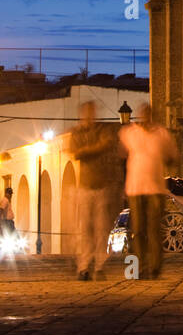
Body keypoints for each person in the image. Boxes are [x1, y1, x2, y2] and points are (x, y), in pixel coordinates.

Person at [118, 104, 177, 279]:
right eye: (142, 113)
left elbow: (172, 156)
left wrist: (166, 158)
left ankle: (155, 267)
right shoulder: (130, 133)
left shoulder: (162, 134)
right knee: (137, 229)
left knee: (154, 229)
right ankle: (139, 267)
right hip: (135, 187)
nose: (145, 116)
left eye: (148, 113)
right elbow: (121, 155)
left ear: (151, 115)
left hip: (155, 188)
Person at [70, 101, 116, 281]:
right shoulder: (77, 132)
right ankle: (83, 266)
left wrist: (86, 150)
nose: (90, 115)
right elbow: (75, 152)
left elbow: (106, 144)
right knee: (85, 229)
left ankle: (100, 265)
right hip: (85, 186)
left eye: (93, 111)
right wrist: (94, 149)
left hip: (101, 185)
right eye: (88, 112)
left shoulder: (102, 130)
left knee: (101, 228)